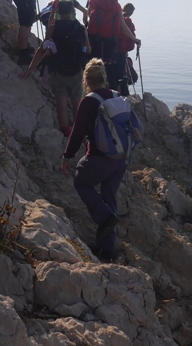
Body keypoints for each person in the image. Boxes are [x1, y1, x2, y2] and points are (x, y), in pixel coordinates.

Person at [61, 59, 126, 262]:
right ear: (103, 77)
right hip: (121, 158)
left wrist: (67, 156)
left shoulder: (89, 101)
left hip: (99, 157)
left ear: (87, 80)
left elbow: (78, 132)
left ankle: (105, 218)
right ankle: (108, 250)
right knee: (109, 197)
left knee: (81, 182)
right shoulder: (116, 96)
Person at [20, 0, 90, 136]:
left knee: (61, 105)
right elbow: (88, 50)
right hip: (76, 70)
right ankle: (79, 131)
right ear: (73, 11)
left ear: (57, 12)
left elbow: (42, 50)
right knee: (77, 104)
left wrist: (30, 68)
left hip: (58, 71)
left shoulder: (53, 27)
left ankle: (65, 131)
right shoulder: (81, 28)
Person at [86, 0, 139, 90]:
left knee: (94, 68)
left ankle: (92, 92)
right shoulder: (116, 6)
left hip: (94, 41)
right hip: (110, 44)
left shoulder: (93, 0)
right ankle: (112, 94)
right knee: (109, 71)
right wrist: (135, 40)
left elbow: (86, 18)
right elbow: (124, 27)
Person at [112, 3, 137, 95]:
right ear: (131, 12)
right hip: (121, 52)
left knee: (112, 74)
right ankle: (120, 94)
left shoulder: (115, 17)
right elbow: (130, 37)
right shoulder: (128, 22)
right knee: (121, 74)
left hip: (110, 50)